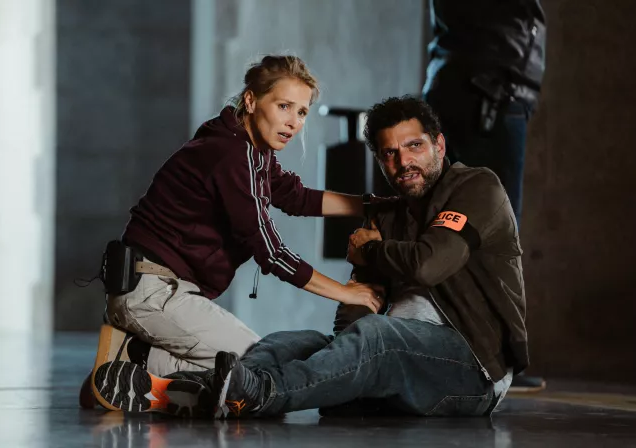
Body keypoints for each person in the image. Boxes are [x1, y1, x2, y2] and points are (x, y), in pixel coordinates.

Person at [99, 96, 529, 418]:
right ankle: (195, 391)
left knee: (377, 338)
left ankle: (251, 394)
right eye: (390, 153)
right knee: (289, 343)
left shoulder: (476, 188)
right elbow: (357, 313)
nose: (404, 162)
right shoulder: (388, 215)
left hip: (471, 369)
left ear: (439, 145)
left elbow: (430, 264)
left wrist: (370, 250)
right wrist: (343, 352)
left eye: (415, 146)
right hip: (400, 361)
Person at [82, 55, 387, 412]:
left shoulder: (249, 150)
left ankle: (133, 362)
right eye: (284, 106)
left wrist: (373, 206)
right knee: (254, 369)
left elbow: (296, 197)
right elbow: (271, 253)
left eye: (302, 112)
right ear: (251, 100)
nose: (293, 122)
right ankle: (136, 361)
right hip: (151, 290)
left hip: (163, 290)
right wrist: (345, 293)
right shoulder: (231, 154)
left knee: (256, 368)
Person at [422, 0, 546, 391]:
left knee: (458, 228)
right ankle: (489, 362)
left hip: (474, 83)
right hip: (489, 89)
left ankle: (463, 358)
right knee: (493, 235)